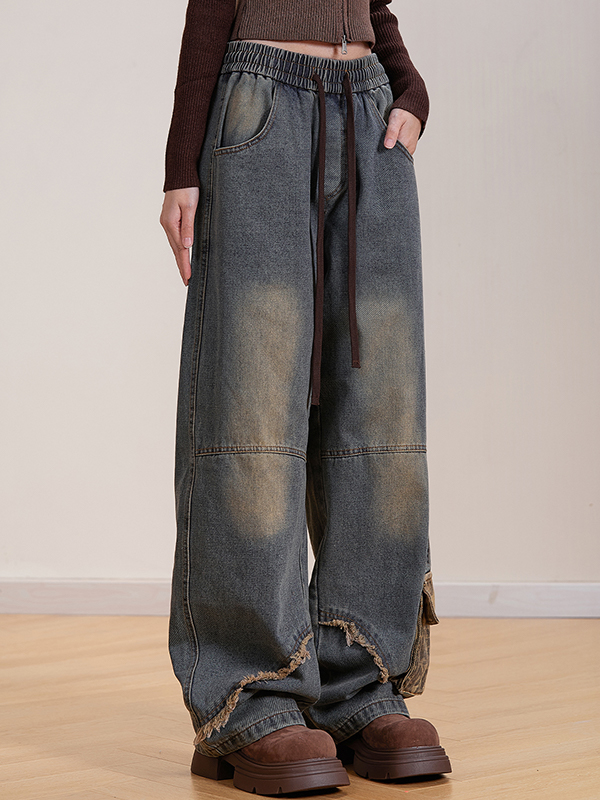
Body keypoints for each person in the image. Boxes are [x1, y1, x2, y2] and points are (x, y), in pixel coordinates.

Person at [160, 0, 451, 795]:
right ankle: (250, 695)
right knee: (250, 411)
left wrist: (405, 81)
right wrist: (183, 160)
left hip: (370, 113)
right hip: (260, 111)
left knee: (382, 411)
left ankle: (361, 681)